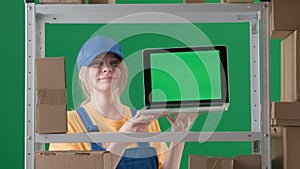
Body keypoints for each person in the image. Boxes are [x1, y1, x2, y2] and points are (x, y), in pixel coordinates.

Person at [49, 36, 198, 169]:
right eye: (97, 63)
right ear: (82, 74)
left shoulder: (145, 120)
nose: (107, 68)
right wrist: (124, 137)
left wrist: (179, 133)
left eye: (114, 63)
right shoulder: (69, 124)